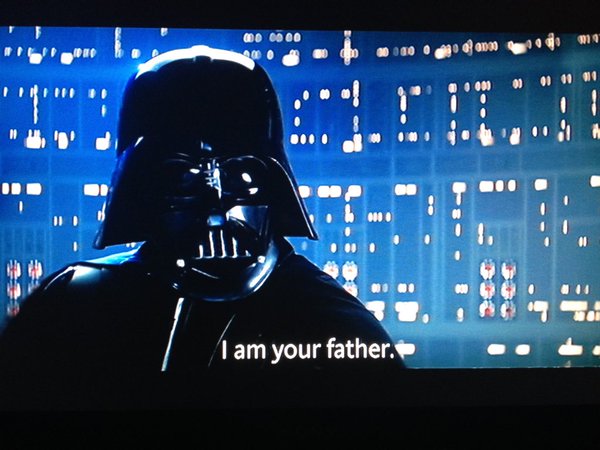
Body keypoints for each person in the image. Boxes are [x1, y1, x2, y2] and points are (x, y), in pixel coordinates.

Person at [0, 46, 404, 408]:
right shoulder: (76, 301)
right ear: (141, 186)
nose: (215, 209)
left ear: (274, 182)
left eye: (239, 175)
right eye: (182, 177)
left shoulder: (332, 322)